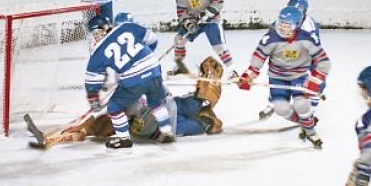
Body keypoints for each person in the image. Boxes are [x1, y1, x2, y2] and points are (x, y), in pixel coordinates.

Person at [26, 56, 225, 149]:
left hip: (165, 107)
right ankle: (206, 122)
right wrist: (60, 137)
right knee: (193, 122)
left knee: (188, 105)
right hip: (154, 125)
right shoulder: (118, 100)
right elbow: (88, 124)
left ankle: (202, 107)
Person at [237, 6, 330, 148]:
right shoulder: (270, 38)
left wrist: (315, 81)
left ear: (297, 25)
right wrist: (248, 76)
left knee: (302, 104)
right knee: (281, 108)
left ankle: (310, 131)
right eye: (281, 24)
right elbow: (258, 60)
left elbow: (324, 62)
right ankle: (304, 122)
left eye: (288, 26)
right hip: (277, 78)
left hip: (299, 77)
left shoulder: (308, 39)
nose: (283, 29)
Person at [84, 15, 174, 149]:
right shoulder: (127, 27)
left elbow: (92, 79)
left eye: (95, 33)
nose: (94, 37)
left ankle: (123, 139)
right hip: (154, 70)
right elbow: (153, 39)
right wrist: (144, 56)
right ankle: (167, 133)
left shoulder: (98, 51)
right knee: (156, 101)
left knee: (114, 106)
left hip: (134, 80)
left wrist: (93, 98)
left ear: (101, 30)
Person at [259, 0, 322, 120]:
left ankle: (312, 106)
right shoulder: (284, 20)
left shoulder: (309, 26)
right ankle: (274, 101)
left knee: (317, 76)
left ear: (304, 13)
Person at [170, 0, 234, 75]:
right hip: (195, 22)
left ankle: (232, 71)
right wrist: (189, 23)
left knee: (218, 46)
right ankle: (179, 67)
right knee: (179, 39)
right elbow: (182, 13)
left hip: (211, 21)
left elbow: (219, 1)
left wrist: (209, 12)